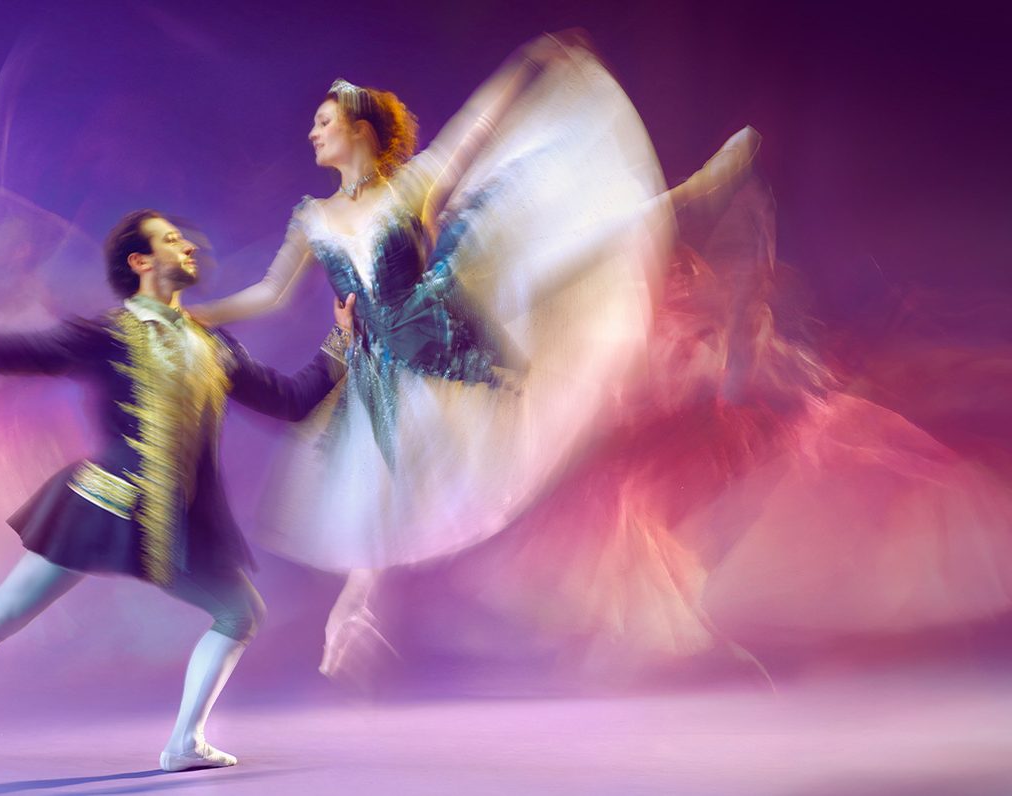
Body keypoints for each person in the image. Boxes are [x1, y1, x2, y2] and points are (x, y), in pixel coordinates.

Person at [188, 33, 757, 673]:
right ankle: (357, 602)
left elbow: (473, 129)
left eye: (324, 123)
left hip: (436, 330)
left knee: (537, 255)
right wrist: (192, 313)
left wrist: (524, 68)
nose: (313, 133)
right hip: (378, 363)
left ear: (360, 131)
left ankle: (684, 195)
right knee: (374, 479)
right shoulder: (312, 217)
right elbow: (270, 293)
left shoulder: (409, 191)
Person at [0, 209, 353, 771]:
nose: (188, 248)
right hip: (101, 506)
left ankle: (184, 743)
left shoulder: (215, 345)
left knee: (239, 615)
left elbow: (290, 402)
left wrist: (341, 340)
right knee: (1, 615)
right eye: (171, 241)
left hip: (176, 521)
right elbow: (15, 352)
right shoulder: (106, 334)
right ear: (140, 261)